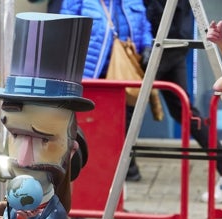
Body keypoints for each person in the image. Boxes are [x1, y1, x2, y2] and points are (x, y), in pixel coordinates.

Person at [50, 0, 154, 182]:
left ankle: (126, 171)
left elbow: (144, 25)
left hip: (124, 71)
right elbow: (65, 27)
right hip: (92, 74)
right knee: (91, 126)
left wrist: (147, 46)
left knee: (125, 122)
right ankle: (94, 171)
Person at [144, 0, 222, 202]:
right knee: (184, 111)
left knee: (125, 107)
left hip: (158, 43)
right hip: (172, 42)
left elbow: (154, 10)